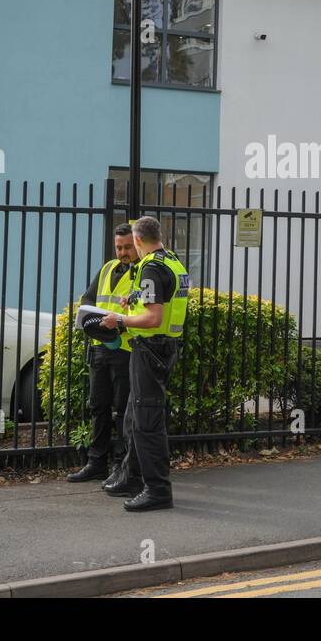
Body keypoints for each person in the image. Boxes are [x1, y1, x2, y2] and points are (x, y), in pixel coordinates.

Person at [99, 215, 189, 512]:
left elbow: (153, 318)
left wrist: (120, 319)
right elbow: (161, 298)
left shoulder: (150, 266)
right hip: (161, 348)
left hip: (151, 349)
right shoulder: (171, 260)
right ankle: (132, 476)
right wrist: (133, 298)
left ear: (137, 241)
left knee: (147, 422)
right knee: (133, 417)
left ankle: (158, 490)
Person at [65, 224, 137, 483]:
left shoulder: (142, 273)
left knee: (122, 410)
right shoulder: (107, 268)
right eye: (119, 247)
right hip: (99, 348)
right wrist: (93, 318)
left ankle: (120, 465)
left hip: (126, 350)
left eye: (128, 247)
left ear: (137, 244)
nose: (123, 252)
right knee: (98, 406)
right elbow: (87, 299)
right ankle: (97, 463)